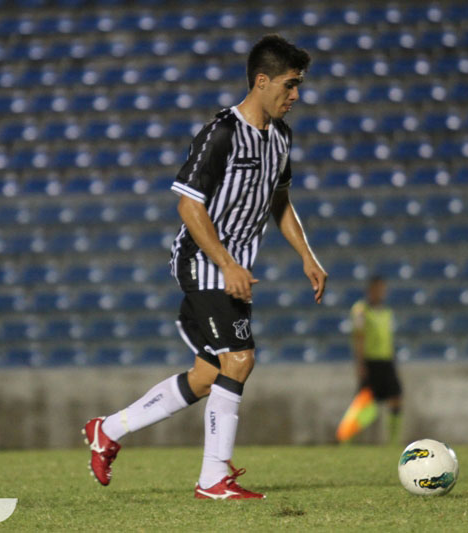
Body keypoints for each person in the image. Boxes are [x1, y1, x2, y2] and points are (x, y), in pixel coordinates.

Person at [83, 34, 327, 500]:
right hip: (202, 262)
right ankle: (213, 477)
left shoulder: (281, 137)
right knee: (240, 359)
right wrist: (228, 263)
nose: (296, 95)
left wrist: (307, 255)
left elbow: (280, 202)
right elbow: (189, 208)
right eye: (291, 85)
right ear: (262, 81)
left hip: (231, 268)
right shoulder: (222, 133)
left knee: (207, 374)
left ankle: (108, 430)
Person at [336, 276, 403, 444]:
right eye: (378, 289)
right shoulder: (360, 310)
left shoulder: (387, 312)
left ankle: (393, 442)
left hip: (386, 361)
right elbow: (359, 337)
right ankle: (346, 437)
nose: (381, 292)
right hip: (370, 361)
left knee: (396, 397)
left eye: (383, 289)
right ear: (370, 290)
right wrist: (360, 363)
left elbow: (389, 338)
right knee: (364, 404)